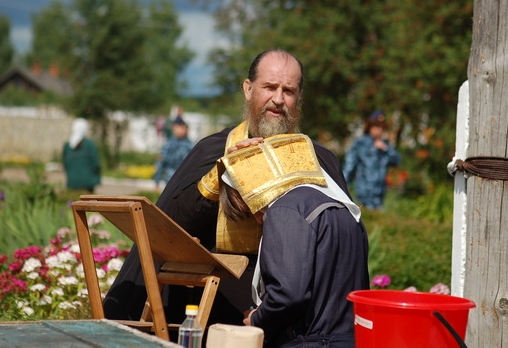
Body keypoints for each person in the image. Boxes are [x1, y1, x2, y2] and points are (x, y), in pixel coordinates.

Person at [103, 49, 356, 329]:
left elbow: (342, 238)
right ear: (248, 89)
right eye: (269, 87)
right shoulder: (212, 150)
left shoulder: (320, 160)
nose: (278, 99)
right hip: (215, 301)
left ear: (299, 99)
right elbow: (170, 225)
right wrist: (221, 173)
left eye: (289, 90)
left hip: (291, 306)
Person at [218, 134, 369, 347]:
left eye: (249, 207)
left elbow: (288, 295)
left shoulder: (286, 210)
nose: (258, 218)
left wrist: (257, 319)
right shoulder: (343, 208)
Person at [342, 110, 400, 210]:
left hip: (379, 195)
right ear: (369, 126)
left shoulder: (384, 145)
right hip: (364, 195)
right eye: (376, 126)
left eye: (382, 127)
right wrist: (342, 189)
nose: (379, 130)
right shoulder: (360, 143)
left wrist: (385, 149)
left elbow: (396, 160)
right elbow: (349, 167)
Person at [153, 116, 193, 192]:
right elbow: (161, 163)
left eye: (184, 127)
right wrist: (157, 182)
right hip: (170, 180)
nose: (183, 130)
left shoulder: (191, 145)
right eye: (180, 127)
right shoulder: (169, 144)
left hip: (185, 182)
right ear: (174, 128)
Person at [62, 118, 101, 193]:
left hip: (72, 182)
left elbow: (65, 164)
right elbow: (96, 164)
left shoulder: (67, 146)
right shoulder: (89, 144)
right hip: (88, 183)